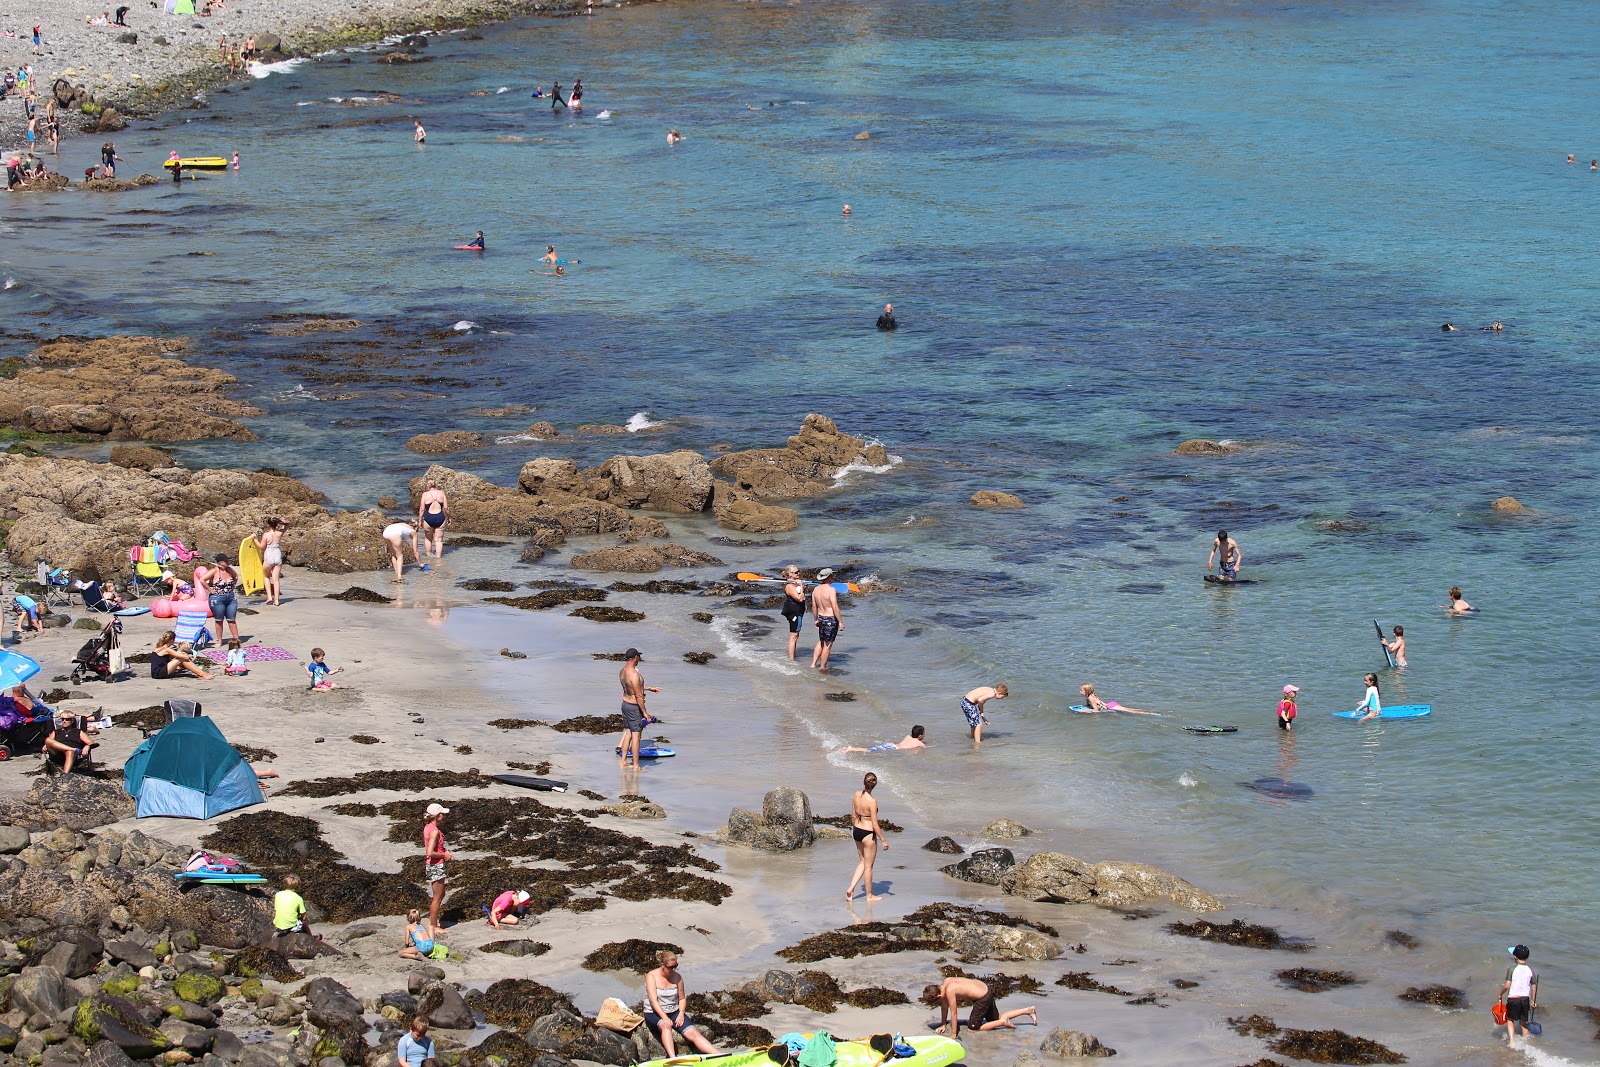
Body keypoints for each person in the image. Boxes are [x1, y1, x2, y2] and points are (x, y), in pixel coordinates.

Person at [644, 950, 718, 1058]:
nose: (673, 969)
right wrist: (664, 1018)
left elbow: (682, 999)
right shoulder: (651, 976)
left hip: (674, 1011)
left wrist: (681, 1013)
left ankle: (719, 1055)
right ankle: (673, 1058)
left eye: (675, 966)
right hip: (654, 1013)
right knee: (666, 1026)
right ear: (662, 965)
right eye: (670, 967)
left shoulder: (677, 977)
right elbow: (653, 1001)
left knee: (693, 1033)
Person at [922, 977, 1037, 1038]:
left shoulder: (950, 990)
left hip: (982, 998)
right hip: (986, 989)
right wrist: (943, 1024)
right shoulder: (946, 982)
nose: (941, 1002)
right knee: (994, 1019)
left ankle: (1002, 1022)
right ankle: (1027, 1010)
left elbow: (954, 1013)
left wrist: (953, 1035)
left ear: (938, 996)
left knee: (973, 1029)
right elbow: (944, 1007)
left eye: (938, 1001)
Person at [845, 772, 888, 901]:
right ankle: (869, 896)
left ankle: (850, 888)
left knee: (862, 862)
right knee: (868, 866)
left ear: (864, 782)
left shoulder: (857, 794)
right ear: (874, 784)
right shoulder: (872, 801)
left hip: (857, 830)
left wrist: (855, 829)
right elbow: (875, 824)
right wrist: (883, 840)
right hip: (868, 833)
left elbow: (853, 816)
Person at [617, 647, 658, 767]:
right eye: (638, 657)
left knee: (628, 732)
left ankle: (624, 762)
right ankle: (636, 766)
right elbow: (639, 695)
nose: (639, 659)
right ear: (635, 657)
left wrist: (649, 688)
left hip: (625, 705)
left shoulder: (622, 671)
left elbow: (629, 688)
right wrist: (645, 713)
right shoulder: (634, 674)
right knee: (636, 736)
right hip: (634, 707)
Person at [1498, 945, 1538, 1045]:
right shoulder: (1531, 970)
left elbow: (1507, 986)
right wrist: (1533, 1001)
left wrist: (1500, 994)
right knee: (1523, 1022)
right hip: (1525, 999)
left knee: (1510, 1019)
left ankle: (1512, 1041)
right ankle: (1527, 1042)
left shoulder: (1512, 969)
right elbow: (1533, 986)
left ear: (1515, 957)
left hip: (1513, 999)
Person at [422, 803, 451, 938]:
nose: (443, 816)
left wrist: (443, 851)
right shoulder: (434, 831)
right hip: (436, 865)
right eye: (442, 814)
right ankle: (433, 926)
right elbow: (430, 852)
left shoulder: (429, 827)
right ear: (437, 816)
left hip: (435, 865)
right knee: (437, 897)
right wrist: (444, 855)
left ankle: (434, 922)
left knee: (441, 894)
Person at [43, 709, 95, 774]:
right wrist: (45, 746)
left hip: (74, 756)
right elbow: (49, 742)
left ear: (72, 721)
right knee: (47, 740)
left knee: (69, 752)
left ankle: (65, 775)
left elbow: (91, 743)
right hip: (57, 755)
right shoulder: (56, 732)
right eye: (63, 719)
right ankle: (73, 749)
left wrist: (87, 747)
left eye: (67, 719)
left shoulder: (78, 732)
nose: (64, 721)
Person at [810, 569, 842, 670]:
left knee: (821, 641)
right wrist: (840, 622)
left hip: (821, 617)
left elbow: (814, 607)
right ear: (829, 577)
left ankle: (813, 664)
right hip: (830, 619)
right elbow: (835, 607)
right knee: (828, 645)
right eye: (832, 576)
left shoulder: (816, 589)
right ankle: (822, 667)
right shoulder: (831, 590)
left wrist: (816, 619)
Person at [207, 553, 241, 645]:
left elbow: (236, 577)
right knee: (219, 620)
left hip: (230, 597)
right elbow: (202, 579)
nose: (228, 562)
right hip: (217, 598)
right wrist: (210, 590)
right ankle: (220, 641)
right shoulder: (215, 571)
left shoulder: (230, 570)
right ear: (221, 562)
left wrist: (233, 586)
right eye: (227, 561)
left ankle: (236, 639)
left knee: (231, 619)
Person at [255, 518, 286, 606]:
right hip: (277, 555)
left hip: (269, 556)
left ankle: (269, 597)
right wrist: (282, 521)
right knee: (276, 579)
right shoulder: (279, 533)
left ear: (268, 525)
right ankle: (276, 600)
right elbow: (287, 525)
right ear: (276, 525)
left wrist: (254, 539)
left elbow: (261, 547)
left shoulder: (266, 535)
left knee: (266, 576)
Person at [418, 481, 450, 560]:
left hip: (429, 517)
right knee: (438, 540)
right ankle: (438, 559)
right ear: (435, 485)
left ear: (427, 486)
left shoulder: (425, 494)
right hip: (440, 517)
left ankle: (429, 556)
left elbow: (422, 509)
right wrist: (449, 517)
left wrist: (420, 520)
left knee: (428, 538)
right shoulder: (442, 493)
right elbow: (446, 508)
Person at [781, 564, 806, 660]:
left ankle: (793, 656)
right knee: (794, 635)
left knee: (796, 634)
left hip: (798, 611)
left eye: (799, 571)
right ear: (790, 574)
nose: (798, 573)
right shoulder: (789, 586)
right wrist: (801, 586)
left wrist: (803, 588)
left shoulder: (794, 584)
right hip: (793, 612)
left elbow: (801, 595)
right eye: (796, 572)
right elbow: (799, 599)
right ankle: (792, 659)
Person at [1077, 683, 1152, 715]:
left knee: (1131, 712)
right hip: (1110, 704)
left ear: (1086, 691)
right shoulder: (1091, 695)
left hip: (1110, 707)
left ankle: (1151, 713)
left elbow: (1096, 710)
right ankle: (1149, 712)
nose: (1080, 691)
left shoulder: (1090, 698)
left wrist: (1085, 710)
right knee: (1130, 709)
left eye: (1081, 690)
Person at [842, 725, 926, 754]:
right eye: (924, 734)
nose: (924, 735)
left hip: (891, 745)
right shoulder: (919, 743)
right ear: (920, 736)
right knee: (868, 751)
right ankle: (851, 749)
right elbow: (924, 749)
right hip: (893, 748)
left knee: (869, 749)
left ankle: (850, 749)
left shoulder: (908, 736)